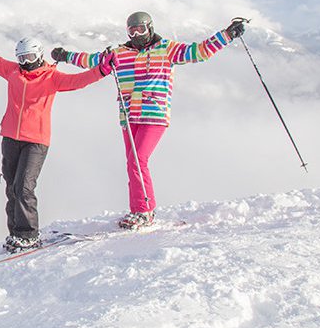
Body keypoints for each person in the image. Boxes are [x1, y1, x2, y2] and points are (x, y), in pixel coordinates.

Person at [52, 12, 245, 228]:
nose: (136, 35)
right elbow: (91, 60)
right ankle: (139, 209)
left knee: (138, 159)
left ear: (150, 28)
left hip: (154, 113)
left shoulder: (166, 49)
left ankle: (145, 211)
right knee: (133, 162)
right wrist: (65, 55)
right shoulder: (119, 53)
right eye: (131, 31)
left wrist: (227, 35)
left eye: (140, 30)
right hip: (128, 114)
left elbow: (199, 52)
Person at [0, 30, 113, 251]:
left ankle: (29, 233)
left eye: (29, 57)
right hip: (10, 137)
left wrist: (103, 69)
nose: (24, 62)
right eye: (21, 58)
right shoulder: (13, 71)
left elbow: (79, 80)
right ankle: (15, 232)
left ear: (38, 55)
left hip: (36, 141)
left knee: (24, 186)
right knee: (12, 187)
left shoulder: (51, 77)